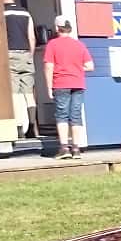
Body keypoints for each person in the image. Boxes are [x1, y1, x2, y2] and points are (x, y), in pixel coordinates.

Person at [43, 17, 93, 159]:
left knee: (62, 115)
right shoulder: (79, 45)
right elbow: (90, 66)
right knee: (75, 115)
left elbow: (48, 66)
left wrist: (48, 87)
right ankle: (76, 148)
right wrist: (76, 68)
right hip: (78, 83)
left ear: (57, 28)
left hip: (61, 84)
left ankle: (64, 148)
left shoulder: (52, 44)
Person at [3, 0, 38, 138]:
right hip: (26, 55)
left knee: (15, 93)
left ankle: (18, 128)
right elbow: (32, 37)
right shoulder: (26, 13)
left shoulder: (2, 13)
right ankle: (31, 127)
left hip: (10, 55)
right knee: (29, 93)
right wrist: (30, 54)